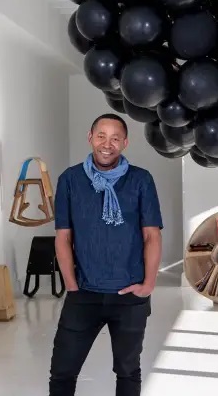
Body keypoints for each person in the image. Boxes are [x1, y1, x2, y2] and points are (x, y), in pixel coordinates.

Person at [48, 113, 163, 396]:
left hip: (129, 295)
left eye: (115, 138)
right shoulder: (70, 180)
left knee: (127, 372)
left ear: (124, 143)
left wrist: (148, 285)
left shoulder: (141, 180)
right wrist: (72, 286)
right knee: (62, 372)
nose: (107, 144)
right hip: (84, 293)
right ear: (90, 137)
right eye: (101, 136)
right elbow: (63, 237)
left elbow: (152, 235)